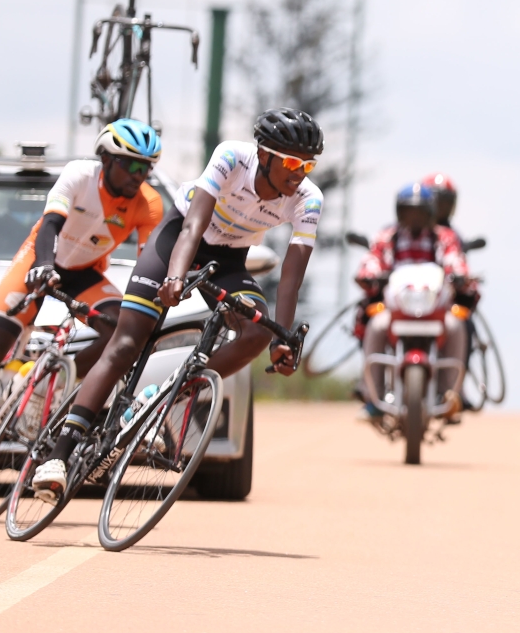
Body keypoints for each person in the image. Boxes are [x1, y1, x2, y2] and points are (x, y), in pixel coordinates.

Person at [30, 107, 325, 501]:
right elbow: (192, 226)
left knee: (257, 330)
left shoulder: (308, 199)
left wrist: (283, 338)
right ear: (265, 155)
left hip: (228, 259)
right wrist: (174, 277)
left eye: (308, 164)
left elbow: (290, 278)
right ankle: (60, 456)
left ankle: (171, 394)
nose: (299, 172)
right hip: (178, 241)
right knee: (126, 343)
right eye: (290, 162)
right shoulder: (233, 157)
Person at [0, 119, 164, 379]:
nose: (138, 175)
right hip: (41, 259)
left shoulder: (148, 202)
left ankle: (53, 385)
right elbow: (50, 224)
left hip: (84, 271)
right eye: (131, 165)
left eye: (145, 168)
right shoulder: (80, 175)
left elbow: (147, 261)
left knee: (122, 330)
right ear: (105, 159)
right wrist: (44, 265)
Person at [356, 182, 478, 419]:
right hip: (397, 310)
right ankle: (373, 397)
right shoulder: (387, 236)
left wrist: (461, 275)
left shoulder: (444, 237)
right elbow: (372, 259)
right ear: (399, 212)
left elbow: (454, 259)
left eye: (420, 212)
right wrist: (369, 275)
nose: (414, 217)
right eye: (409, 211)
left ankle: (450, 395)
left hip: (434, 309)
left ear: (431, 214)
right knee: (376, 326)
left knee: (456, 326)